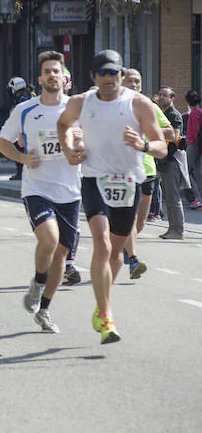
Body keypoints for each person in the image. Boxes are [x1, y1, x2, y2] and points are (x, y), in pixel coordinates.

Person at [57, 49, 167, 344]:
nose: (109, 78)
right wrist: (69, 149)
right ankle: (106, 315)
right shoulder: (81, 102)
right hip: (95, 179)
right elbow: (63, 124)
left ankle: (100, 303)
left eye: (114, 73)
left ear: (121, 74)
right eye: (103, 73)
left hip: (128, 182)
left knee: (116, 254)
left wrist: (142, 145)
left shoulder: (139, 104)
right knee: (103, 245)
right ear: (94, 76)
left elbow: (161, 146)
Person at [0, 51, 81, 333]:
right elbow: (2, 142)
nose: (52, 75)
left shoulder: (77, 109)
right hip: (37, 188)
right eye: (47, 71)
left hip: (70, 191)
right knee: (50, 238)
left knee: (60, 254)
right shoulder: (25, 110)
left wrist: (81, 147)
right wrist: (22, 159)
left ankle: (44, 308)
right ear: (40, 77)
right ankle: (37, 279)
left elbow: (88, 151)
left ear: (64, 77)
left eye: (56, 71)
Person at [120, 69, 169, 278]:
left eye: (137, 81)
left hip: (147, 169)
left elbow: (170, 131)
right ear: (122, 82)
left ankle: (125, 245)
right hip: (122, 170)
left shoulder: (149, 106)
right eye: (130, 80)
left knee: (140, 221)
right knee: (129, 218)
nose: (133, 84)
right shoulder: (115, 105)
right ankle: (133, 258)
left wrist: (148, 129)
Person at [155, 86, 192, 239]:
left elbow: (174, 136)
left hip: (173, 160)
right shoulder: (164, 114)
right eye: (161, 95)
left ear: (172, 98)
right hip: (166, 160)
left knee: (174, 197)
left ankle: (178, 230)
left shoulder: (174, 114)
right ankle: (172, 229)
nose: (162, 97)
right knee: (169, 197)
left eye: (166, 95)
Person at [185, 90, 202, 207]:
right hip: (197, 145)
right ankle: (199, 198)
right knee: (197, 173)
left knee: (185, 171)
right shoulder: (199, 112)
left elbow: (195, 132)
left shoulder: (194, 114)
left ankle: (197, 198)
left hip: (193, 145)